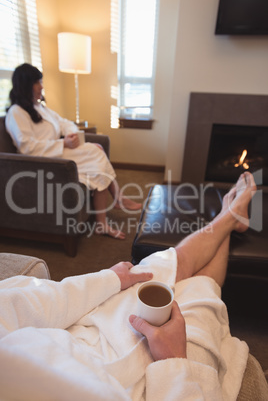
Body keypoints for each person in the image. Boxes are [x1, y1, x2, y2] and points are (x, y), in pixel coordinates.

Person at [0, 172, 257, 400]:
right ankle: (232, 214)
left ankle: (230, 215)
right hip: (153, 385)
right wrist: (173, 361)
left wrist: (110, 278)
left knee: (165, 265)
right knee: (201, 292)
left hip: (83, 337)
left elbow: (24, 305)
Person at [5, 63, 141, 240]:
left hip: (57, 153)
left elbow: (64, 122)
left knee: (97, 154)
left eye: (41, 81)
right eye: (37, 82)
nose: (41, 86)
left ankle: (105, 218)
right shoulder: (16, 113)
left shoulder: (39, 108)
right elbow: (27, 147)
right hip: (42, 161)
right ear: (24, 85)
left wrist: (71, 134)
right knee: (97, 153)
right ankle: (117, 200)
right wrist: (63, 144)